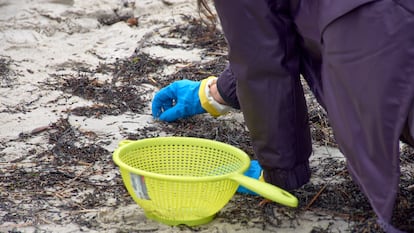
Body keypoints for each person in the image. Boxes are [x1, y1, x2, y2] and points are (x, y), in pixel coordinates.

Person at [151, 1, 414, 232]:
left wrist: (279, 173)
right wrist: (215, 93)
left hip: (377, 35)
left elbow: (264, 63)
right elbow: (278, 26)